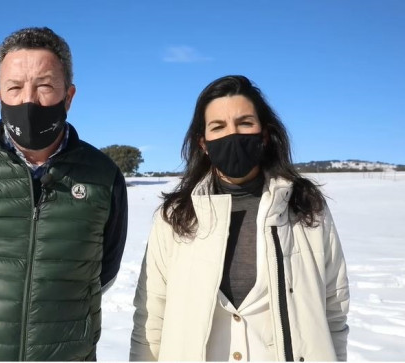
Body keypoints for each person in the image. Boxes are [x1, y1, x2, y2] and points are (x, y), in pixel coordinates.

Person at [0, 26, 128, 361]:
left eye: (44, 86)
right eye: (14, 87)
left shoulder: (103, 174)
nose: (28, 100)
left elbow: (105, 268)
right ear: (0, 96)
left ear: (68, 96)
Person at [130, 75, 349, 361]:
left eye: (245, 123)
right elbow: (151, 318)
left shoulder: (305, 208)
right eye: (218, 126)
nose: (232, 135)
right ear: (203, 143)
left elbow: (334, 309)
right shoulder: (176, 217)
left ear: (265, 134)